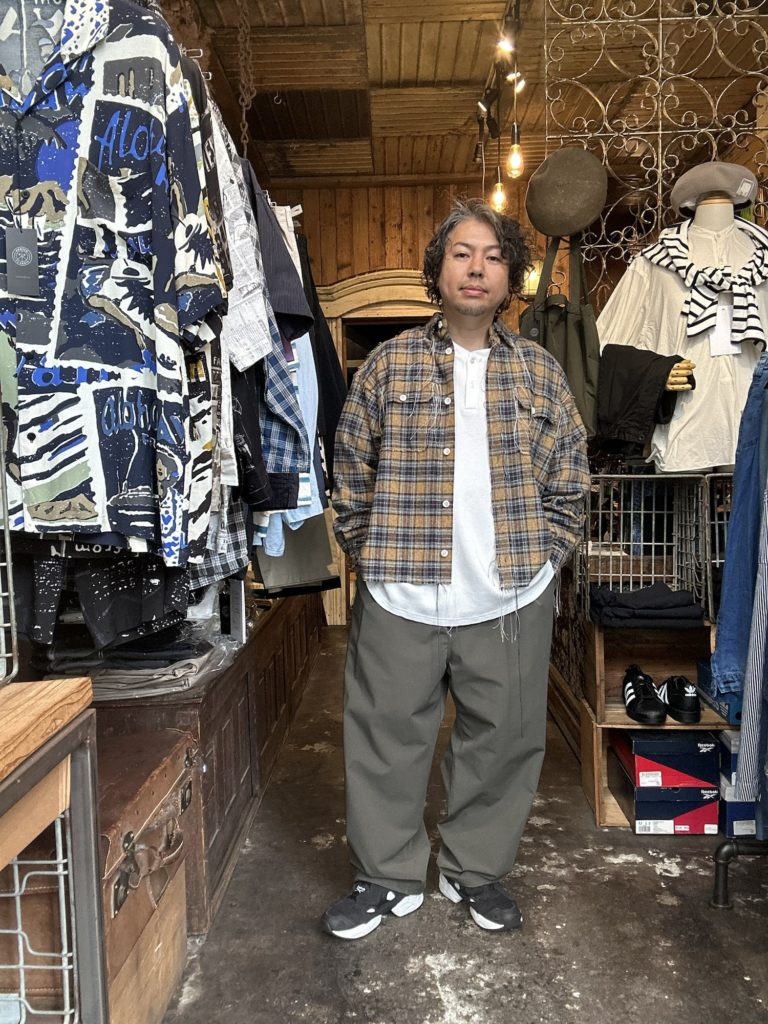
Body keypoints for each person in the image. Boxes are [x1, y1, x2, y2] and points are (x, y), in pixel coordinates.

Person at [323, 199, 590, 940]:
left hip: (509, 596)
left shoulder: (539, 373)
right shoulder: (389, 365)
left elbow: (571, 478)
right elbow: (350, 470)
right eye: (462, 254)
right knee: (383, 738)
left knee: (503, 741)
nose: (477, 269)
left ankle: (474, 871)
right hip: (400, 594)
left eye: (494, 257)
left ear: (511, 278)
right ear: (438, 271)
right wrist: (371, 556)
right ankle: (387, 877)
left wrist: (544, 564)